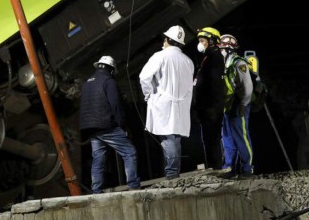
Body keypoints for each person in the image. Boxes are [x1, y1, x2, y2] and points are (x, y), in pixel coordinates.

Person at [139, 25, 195, 180]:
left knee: (168, 139)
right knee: (176, 139)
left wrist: (148, 93)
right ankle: (174, 172)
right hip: (181, 105)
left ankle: (171, 173)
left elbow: (144, 77)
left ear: (168, 40)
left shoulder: (160, 56)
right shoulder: (188, 61)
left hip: (163, 103)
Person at [79, 55, 140, 193]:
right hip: (106, 125)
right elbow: (116, 105)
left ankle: (96, 190)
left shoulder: (87, 82)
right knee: (129, 152)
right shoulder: (109, 81)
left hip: (91, 128)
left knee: (98, 158)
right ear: (111, 70)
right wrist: (123, 126)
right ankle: (133, 186)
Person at [218, 34, 254, 178]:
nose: (220, 52)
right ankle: (229, 168)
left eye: (222, 49)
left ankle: (247, 168)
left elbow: (248, 86)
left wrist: (244, 104)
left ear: (228, 49)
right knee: (227, 138)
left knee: (242, 137)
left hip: (239, 105)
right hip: (228, 106)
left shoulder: (239, 63)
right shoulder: (226, 64)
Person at [193, 27, 225, 170]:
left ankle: (216, 167)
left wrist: (213, 106)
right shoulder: (208, 57)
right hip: (207, 106)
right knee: (208, 139)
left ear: (211, 41)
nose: (200, 43)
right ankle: (213, 166)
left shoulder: (214, 57)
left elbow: (215, 83)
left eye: (202, 40)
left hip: (211, 106)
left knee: (212, 139)